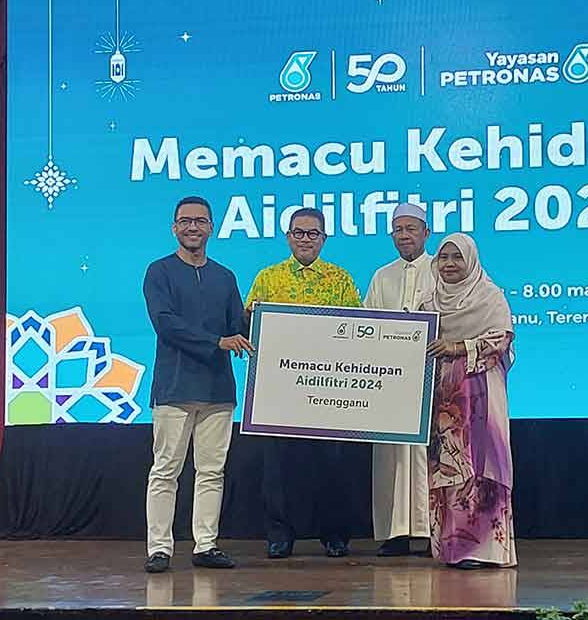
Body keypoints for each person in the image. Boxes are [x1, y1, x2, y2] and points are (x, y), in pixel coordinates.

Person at [142, 196, 255, 574]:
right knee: (165, 471)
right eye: (186, 221)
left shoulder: (225, 276)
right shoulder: (159, 271)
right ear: (174, 227)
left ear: (211, 228)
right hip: (174, 387)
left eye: (200, 221)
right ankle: (160, 549)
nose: (193, 227)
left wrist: (261, 318)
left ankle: (206, 545)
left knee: (211, 471)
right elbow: (166, 324)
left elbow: (237, 327)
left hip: (218, 389)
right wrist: (217, 342)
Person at [245, 207, 363, 559]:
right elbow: (250, 324)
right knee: (278, 468)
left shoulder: (340, 279)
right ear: (288, 237)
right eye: (299, 232)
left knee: (333, 466)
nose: (306, 239)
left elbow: (358, 329)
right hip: (280, 389)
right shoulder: (268, 278)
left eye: (313, 233)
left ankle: (335, 536)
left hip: (330, 389)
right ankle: (280, 535)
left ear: (324, 239)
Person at [423, 233, 517, 569]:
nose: (449, 264)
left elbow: (501, 340)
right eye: (443, 258)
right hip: (443, 399)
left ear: (471, 261)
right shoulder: (428, 302)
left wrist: (458, 347)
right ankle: (454, 548)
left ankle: (485, 550)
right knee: (450, 467)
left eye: (457, 257)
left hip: (481, 394)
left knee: (482, 464)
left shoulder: (490, 297)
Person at [364, 203, 435, 557]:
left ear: (426, 233)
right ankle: (396, 534)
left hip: (431, 380)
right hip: (389, 382)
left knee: (428, 457)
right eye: (398, 229)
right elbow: (366, 324)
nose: (404, 235)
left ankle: (431, 531)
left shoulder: (442, 270)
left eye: (411, 228)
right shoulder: (382, 276)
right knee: (390, 458)